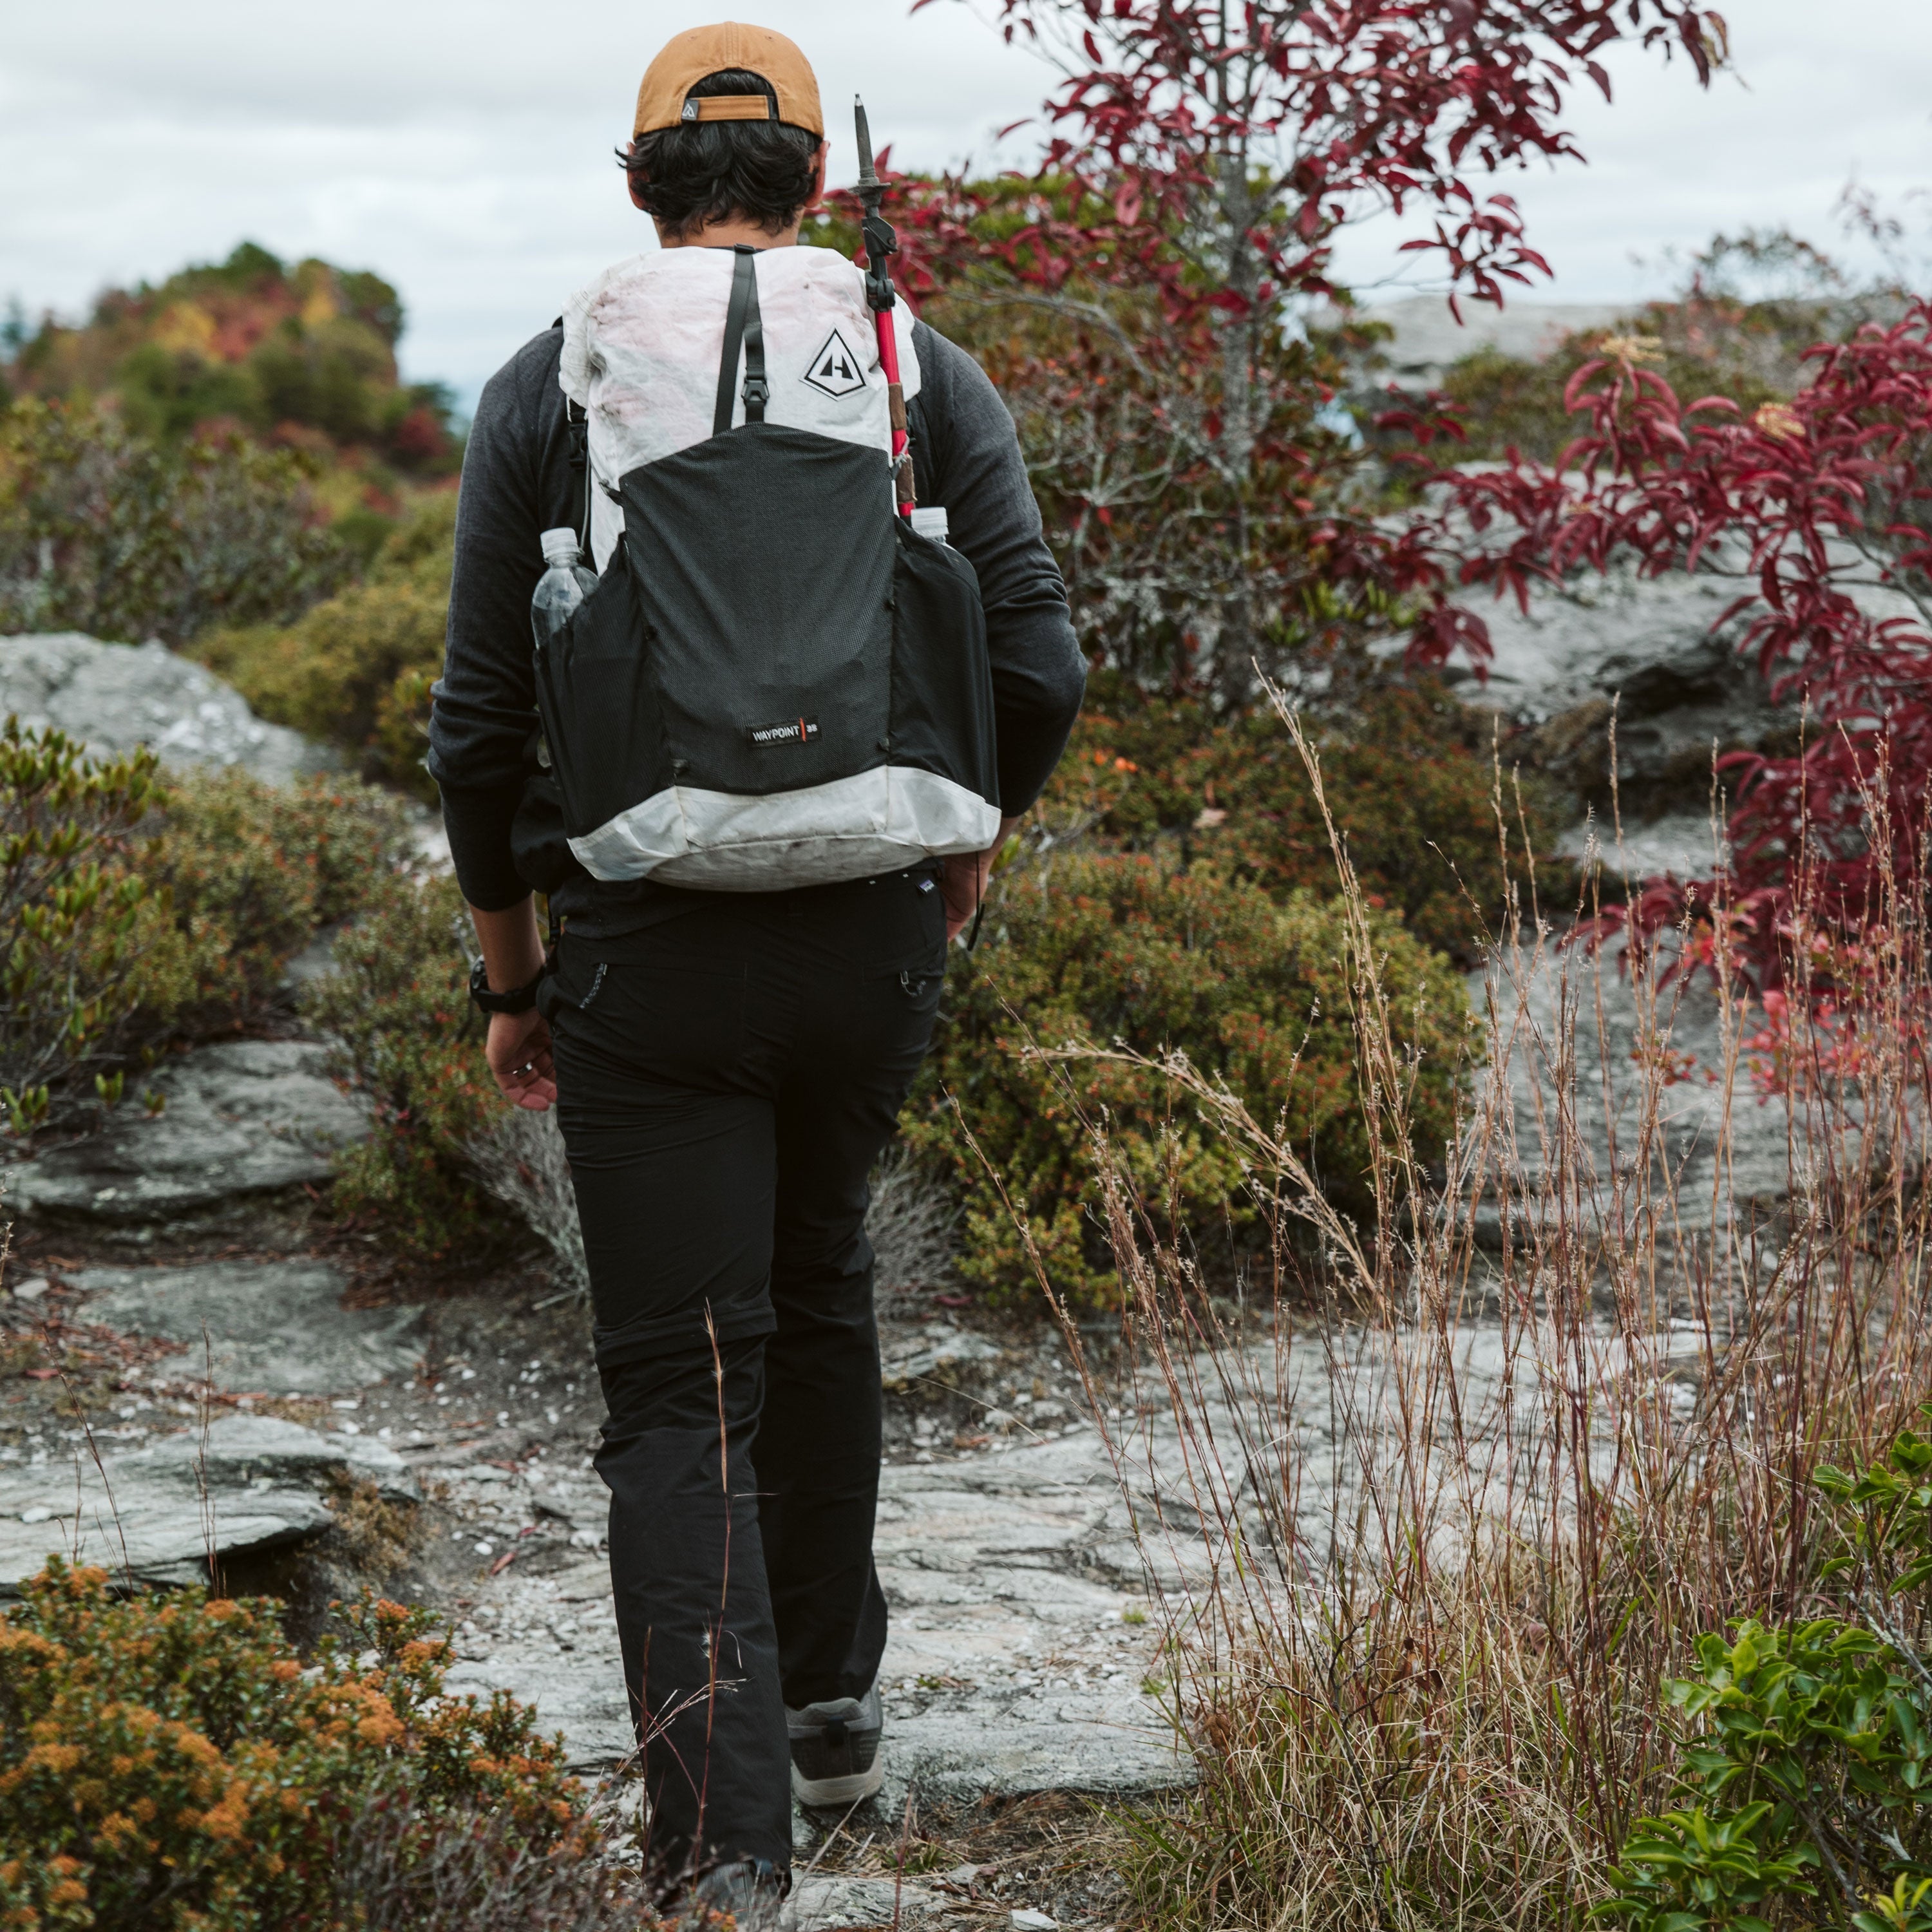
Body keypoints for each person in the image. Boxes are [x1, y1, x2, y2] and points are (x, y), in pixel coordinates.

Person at [427, 20, 1084, 1908]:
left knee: (672, 1387)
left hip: (649, 947)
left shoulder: (549, 382)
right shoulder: (907, 360)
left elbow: (479, 725)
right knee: (820, 1282)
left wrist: (509, 974)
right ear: (816, 182)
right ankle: (832, 1711)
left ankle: (722, 1857)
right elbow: (1037, 667)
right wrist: (966, 850)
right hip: (871, 931)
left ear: (639, 185)